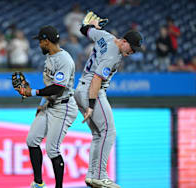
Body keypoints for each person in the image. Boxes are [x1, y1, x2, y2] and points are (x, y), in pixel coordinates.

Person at [74, 15, 144, 188]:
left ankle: (92, 175)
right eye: (131, 47)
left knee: (99, 135)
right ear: (124, 41)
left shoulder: (104, 35)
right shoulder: (113, 55)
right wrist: (90, 105)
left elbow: (84, 30)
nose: (132, 52)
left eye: (135, 50)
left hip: (81, 89)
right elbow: (97, 80)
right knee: (109, 132)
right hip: (93, 91)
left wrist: (91, 25)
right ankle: (100, 175)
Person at [15, 26, 78, 188]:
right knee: (32, 140)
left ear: (46, 41)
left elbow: (58, 88)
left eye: (40, 41)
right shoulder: (50, 56)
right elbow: (50, 85)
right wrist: (41, 104)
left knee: (52, 149)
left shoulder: (64, 60)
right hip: (50, 104)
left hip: (63, 107)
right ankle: (38, 183)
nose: (39, 44)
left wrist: (32, 92)